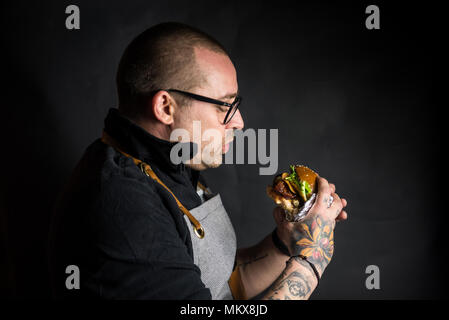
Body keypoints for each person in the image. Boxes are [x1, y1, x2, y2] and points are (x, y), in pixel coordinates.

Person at [48, 22, 348, 300]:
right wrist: (312, 258)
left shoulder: (172, 159)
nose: (239, 122)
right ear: (166, 107)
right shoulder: (123, 206)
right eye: (225, 106)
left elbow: (222, 283)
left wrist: (289, 241)